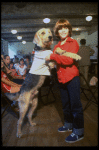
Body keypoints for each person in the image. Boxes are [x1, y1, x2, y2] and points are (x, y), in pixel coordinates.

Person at [45, 19, 84, 143]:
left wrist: (52, 56)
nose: (63, 30)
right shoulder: (56, 46)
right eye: (60, 28)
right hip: (61, 79)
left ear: (69, 29)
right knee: (66, 104)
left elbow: (68, 60)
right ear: (57, 31)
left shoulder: (73, 42)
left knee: (75, 106)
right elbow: (56, 61)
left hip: (72, 78)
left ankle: (79, 132)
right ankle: (68, 125)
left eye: (65, 28)